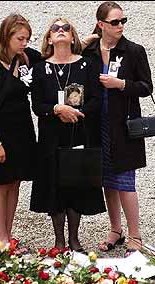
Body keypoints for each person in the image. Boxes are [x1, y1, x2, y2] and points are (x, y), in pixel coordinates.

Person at [82, 1, 153, 256]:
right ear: (101, 24)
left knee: (125, 181)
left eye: (123, 21)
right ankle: (115, 230)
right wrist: (82, 42)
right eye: (115, 22)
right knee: (107, 181)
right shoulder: (89, 51)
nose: (121, 25)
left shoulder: (134, 51)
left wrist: (121, 84)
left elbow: (146, 87)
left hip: (123, 126)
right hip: (96, 125)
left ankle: (135, 234)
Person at [30, 17, 106, 252]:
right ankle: (59, 241)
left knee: (77, 185)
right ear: (49, 38)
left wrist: (77, 113)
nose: (61, 31)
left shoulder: (87, 64)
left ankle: (74, 239)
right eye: (55, 28)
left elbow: (95, 99)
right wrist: (56, 110)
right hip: (51, 137)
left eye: (66, 28)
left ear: (73, 37)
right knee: (55, 185)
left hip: (79, 133)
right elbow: (37, 105)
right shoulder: (40, 67)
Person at [0, 14, 41, 246]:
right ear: (7, 36)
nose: (25, 43)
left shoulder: (26, 58)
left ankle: (8, 234)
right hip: (0, 132)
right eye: (20, 38)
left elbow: (53, 58)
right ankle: (0, 238)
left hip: (23, 129)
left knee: (15, 181)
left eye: (27, 38)